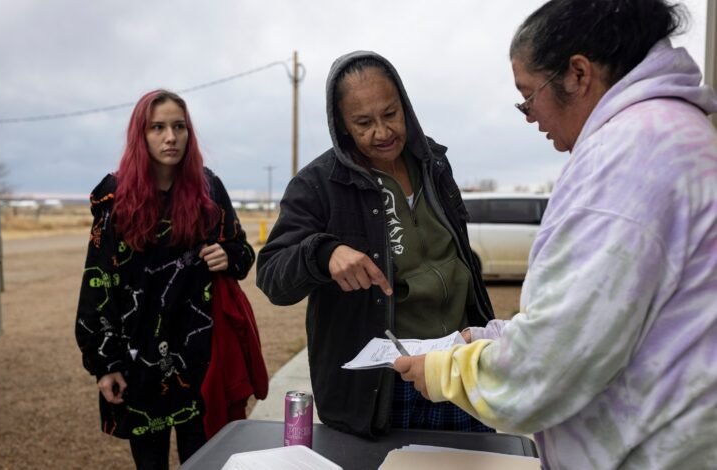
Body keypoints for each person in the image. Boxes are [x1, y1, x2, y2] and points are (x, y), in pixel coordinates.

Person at [394, 0, 717, 468]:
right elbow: (596, 317)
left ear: (578, 75)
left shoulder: (630, 155)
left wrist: (446, 369)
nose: (528, 115)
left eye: (528, 95)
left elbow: (550, 365)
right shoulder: (670, 134)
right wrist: (492, 337)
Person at [256, 51, 495, 437]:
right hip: (383, 389)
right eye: (363, 123)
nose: (382, 133)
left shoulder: (434, 164)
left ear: (405, 105)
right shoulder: (317, 184)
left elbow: (458, 253)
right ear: (342, 126)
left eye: (390, 114)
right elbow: (272, 276)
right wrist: (324, 253)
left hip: (459, 367)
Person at [75, 89, 256, 469]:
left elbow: (241, 253)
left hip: (200, 362)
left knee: (205, 461)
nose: (170, 137)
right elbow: (98, 282)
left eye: (179, 126)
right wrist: (104, 363)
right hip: (138, 363)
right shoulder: (115, 196)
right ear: (140, 135)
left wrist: (227, 256)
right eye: (157, 127)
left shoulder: (208, 189)